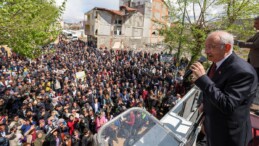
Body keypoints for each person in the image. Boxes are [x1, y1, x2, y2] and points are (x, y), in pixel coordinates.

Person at [190, 30, 258, 146]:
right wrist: (205, 105)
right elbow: (216, 90)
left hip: (228, 136)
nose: (206, 51)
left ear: (226, 47)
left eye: (211, 47)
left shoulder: (243, 72)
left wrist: (203, 79)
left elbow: (227, 104)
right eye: (206, 47)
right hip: (213, 128)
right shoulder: (217, 61)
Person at [235, 16, 259, 81]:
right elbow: (248, 41)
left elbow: (255, 45)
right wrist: (236, 41)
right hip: (253, 61)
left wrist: (238, 43)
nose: (254, 25)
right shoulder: (257, 33)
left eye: (256, 23)